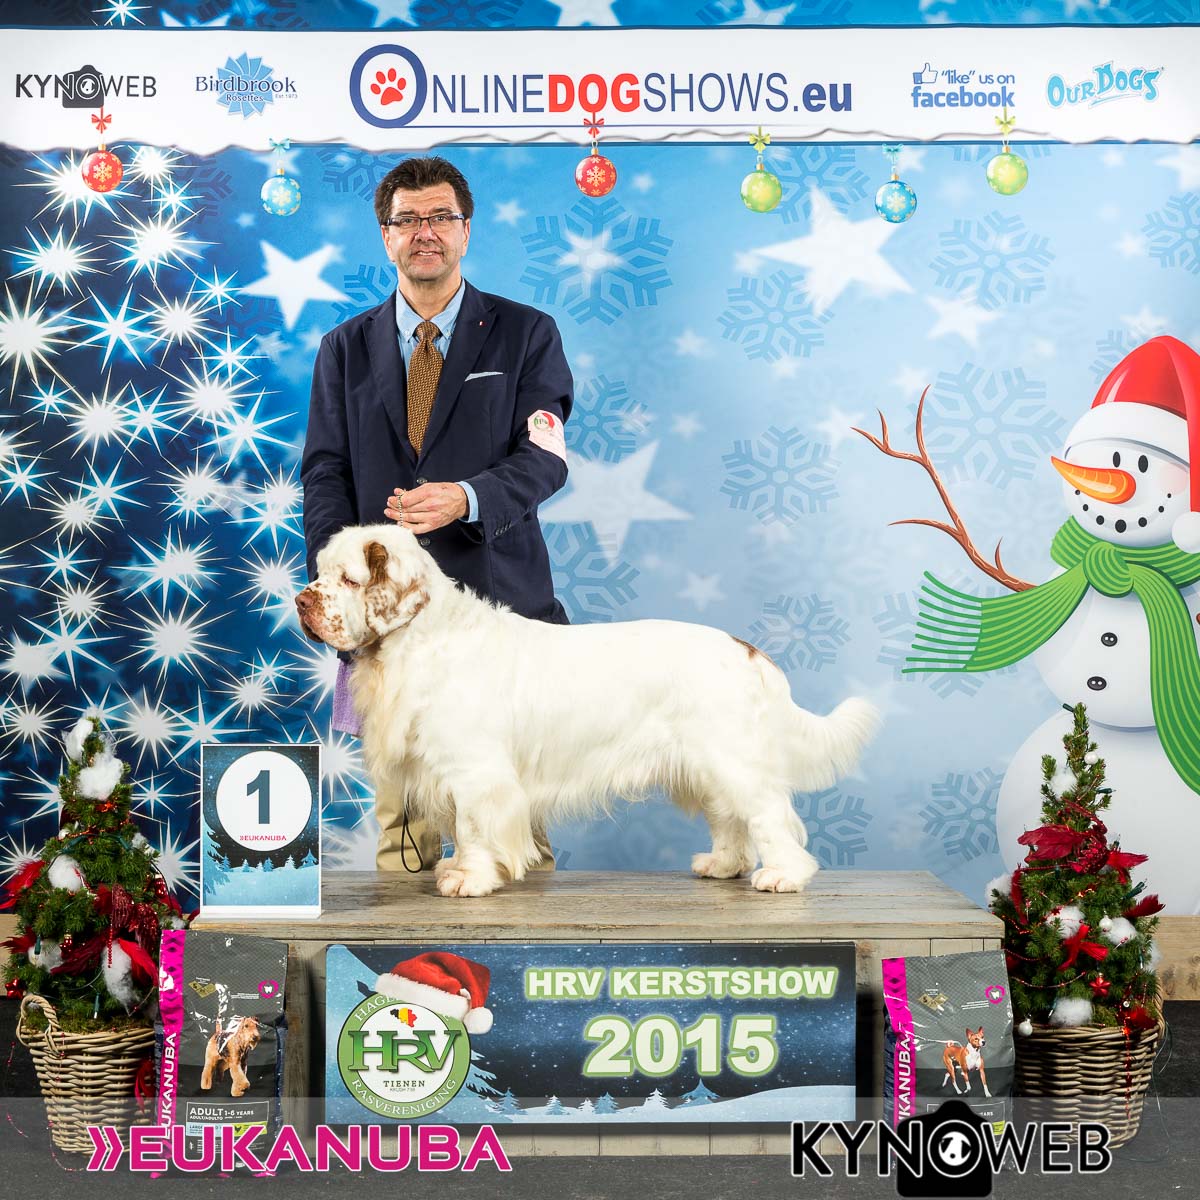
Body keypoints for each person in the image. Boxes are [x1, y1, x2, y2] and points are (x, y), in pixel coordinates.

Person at [301, 155, 572, 872]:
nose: (426, 232)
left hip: (503, 618)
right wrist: (340, 581)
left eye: (441, 217)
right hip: (389, 633)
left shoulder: (527, 333)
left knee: (514, 836)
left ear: (466, 229)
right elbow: (324, 473)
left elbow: (545, 458)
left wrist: (467, 497)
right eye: (408, 220)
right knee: (404, 847)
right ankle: (404, 946)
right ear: (386, 235)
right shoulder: (342, 349)